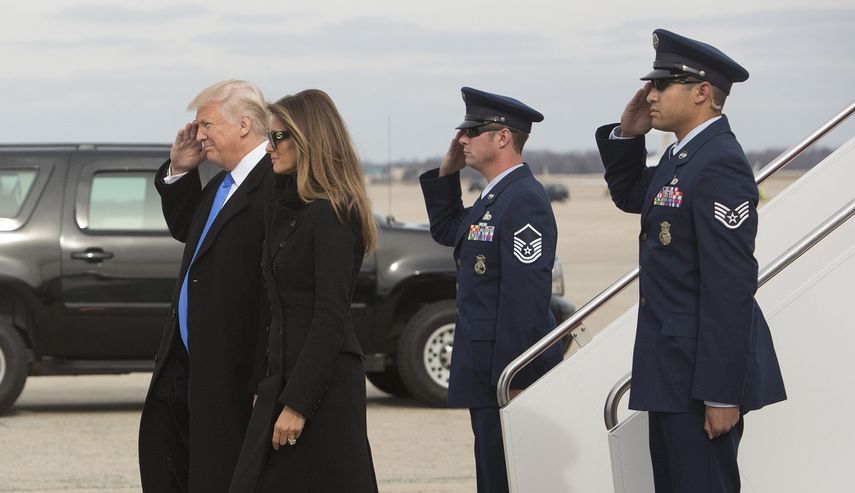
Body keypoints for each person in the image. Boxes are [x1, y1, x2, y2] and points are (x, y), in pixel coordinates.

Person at [595, 29, 787, 492]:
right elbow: (630, 195)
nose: (650, 95)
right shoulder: (683, 156)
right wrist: (626, 134)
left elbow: (730, 286)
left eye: (663, 85)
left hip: (699, 378)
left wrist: (722, 391)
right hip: (671, 369)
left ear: (702, 92)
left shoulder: (718, 162)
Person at [227, 89, 378, 493]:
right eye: (269, 137)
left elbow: (329, 317)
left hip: (322, 389)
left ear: (308, 140)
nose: (269, 147)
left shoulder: (331, 214)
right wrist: (268, 385)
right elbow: (277, 310)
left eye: (278, 138)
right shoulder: (289, 206)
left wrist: (297, 402)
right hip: (285, 380)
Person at [419, 87, 563, 493]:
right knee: (493, 477)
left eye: (472, 130)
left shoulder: (523, 200)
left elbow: (525, 301)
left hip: (505, 374)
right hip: (486, 370)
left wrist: (513, 376)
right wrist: (447, 173)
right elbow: (449, 231)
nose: (461, 138)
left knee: (507, 479)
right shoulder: (495, 197)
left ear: (502, 138)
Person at [138, 80, 274, 492]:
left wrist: (265, 381)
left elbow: (276, 290)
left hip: (234, 369)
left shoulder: (274, 184)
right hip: (188, 362)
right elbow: (188, 229)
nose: (198, 135)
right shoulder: (221, 182)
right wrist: (180, 169)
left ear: (245, 125)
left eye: (206, 124)